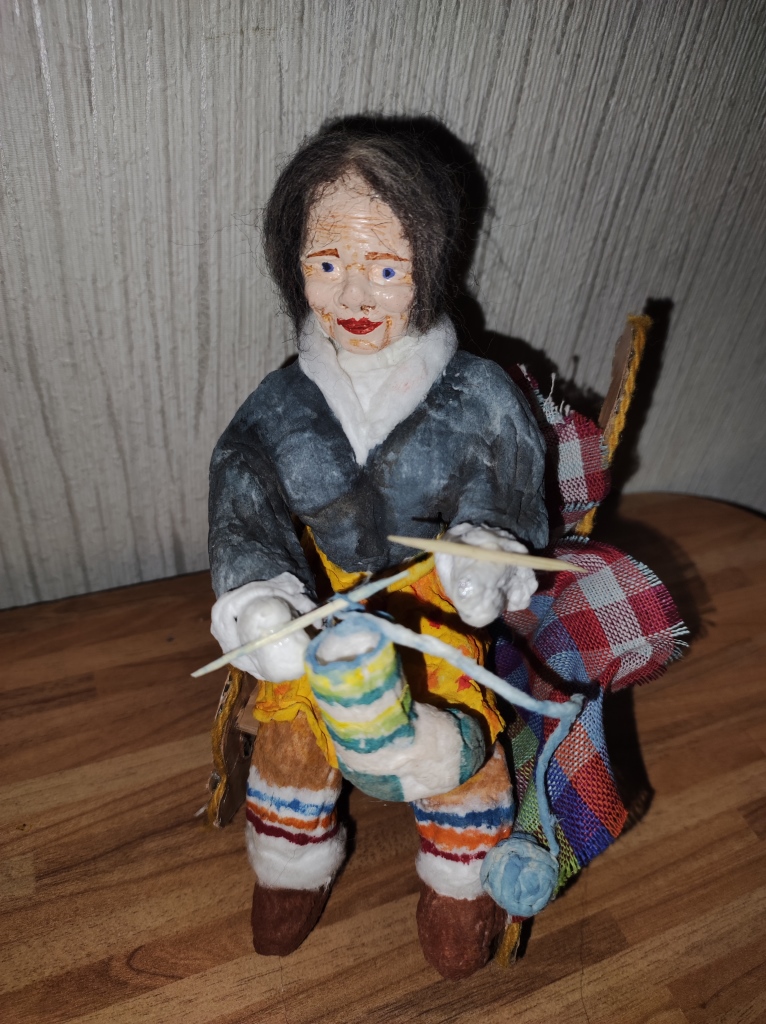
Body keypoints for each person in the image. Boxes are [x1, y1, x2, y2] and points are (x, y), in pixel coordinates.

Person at [207, 119, 548, 979]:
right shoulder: (280, 403)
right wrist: (260, 596)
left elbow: (506, 487)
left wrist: (485, 550)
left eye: (387, 268)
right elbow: (243, 491)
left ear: (431, 262)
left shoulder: (480, 394)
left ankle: (459, 885)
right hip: (317, 602)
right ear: (292, 263)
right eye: (327, 264)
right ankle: (291, 864)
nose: (355, 293)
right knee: (291, 738)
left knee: (461, 748)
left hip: (431, 609)